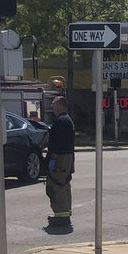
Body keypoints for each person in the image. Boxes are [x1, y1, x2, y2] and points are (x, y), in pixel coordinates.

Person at [45, 96, 75, 230]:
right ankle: (65, 213)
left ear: (61, 106)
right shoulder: (66, 120)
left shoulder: (62, 121)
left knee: (56, 186)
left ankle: (61, 216)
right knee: (64, 185)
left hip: (59, 160)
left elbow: (58, 143)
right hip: (65, 159)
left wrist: (51, 160)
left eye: (54, 104)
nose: (52, 107)